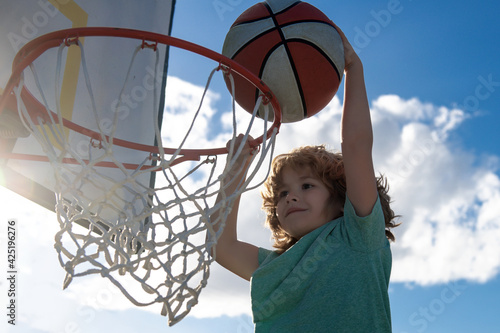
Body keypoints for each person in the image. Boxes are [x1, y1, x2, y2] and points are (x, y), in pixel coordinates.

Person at [211, 23, 399, 332]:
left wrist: (354, 69)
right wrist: (234, 174)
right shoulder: (273, 266)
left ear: (341, 197)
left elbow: (356, 146)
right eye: (282, 194)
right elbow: (220, 246)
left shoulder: (358, 236)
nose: (290, 197)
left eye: (307, 185)